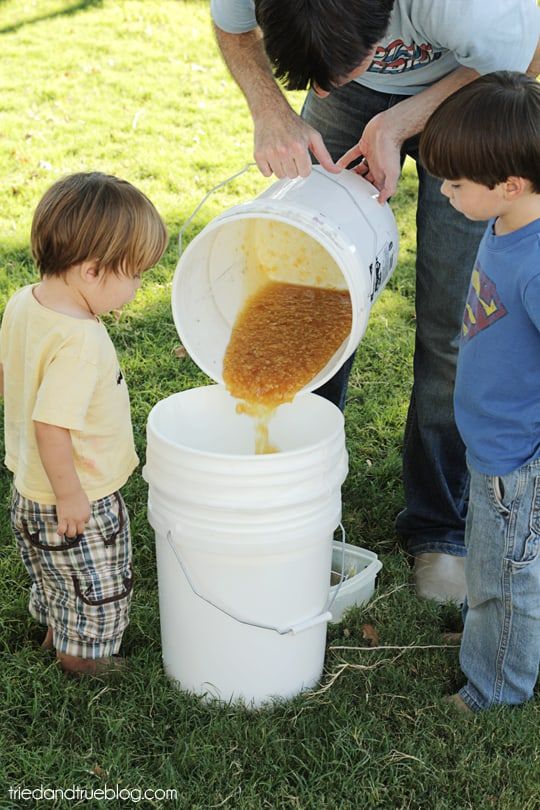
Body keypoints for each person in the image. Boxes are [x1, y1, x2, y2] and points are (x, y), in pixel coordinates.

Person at [210, 0, 540, 602]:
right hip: (361, 90)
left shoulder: (468, 10)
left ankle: (440, 528)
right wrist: (270, 108)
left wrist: (396, 122)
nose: (320, 90)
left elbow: (514, 62)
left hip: (472, 91)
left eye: (336, 71)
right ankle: (299, 495)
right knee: (309, 282)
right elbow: (232, 29)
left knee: (456, 325)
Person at [0, 172, 168, 676]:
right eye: (135, 275)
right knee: (97, 584)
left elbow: (8, 369)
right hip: (79, 498)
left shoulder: (25, 301)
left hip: (29, 491)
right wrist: (72, 495)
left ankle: (58, 628)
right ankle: (82, 658)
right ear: (93, 271)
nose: (139, 288)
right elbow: (52, 427)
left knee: (58, 573)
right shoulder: (81, 343)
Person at [418, 71, 540, 710]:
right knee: (495, 561)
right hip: (491, 444)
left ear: (510, 185)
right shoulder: (507, 225)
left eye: (456, 184)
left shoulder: (536, 262)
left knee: (507, 575)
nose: (443, 192)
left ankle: (497, 686)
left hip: (514, 461)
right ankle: (489, 628)